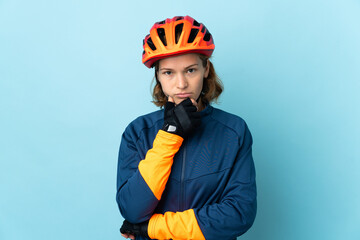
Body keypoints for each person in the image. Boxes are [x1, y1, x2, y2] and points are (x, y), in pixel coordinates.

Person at [116, 15, 257, 240]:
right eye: (169, 72)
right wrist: (169, 135)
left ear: (206, 69)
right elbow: (132, 209)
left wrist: (151, 228)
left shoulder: (234, 130)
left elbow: (239, 214)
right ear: (158, 76)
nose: (181, 84)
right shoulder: (137, 131)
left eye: (190, 70)